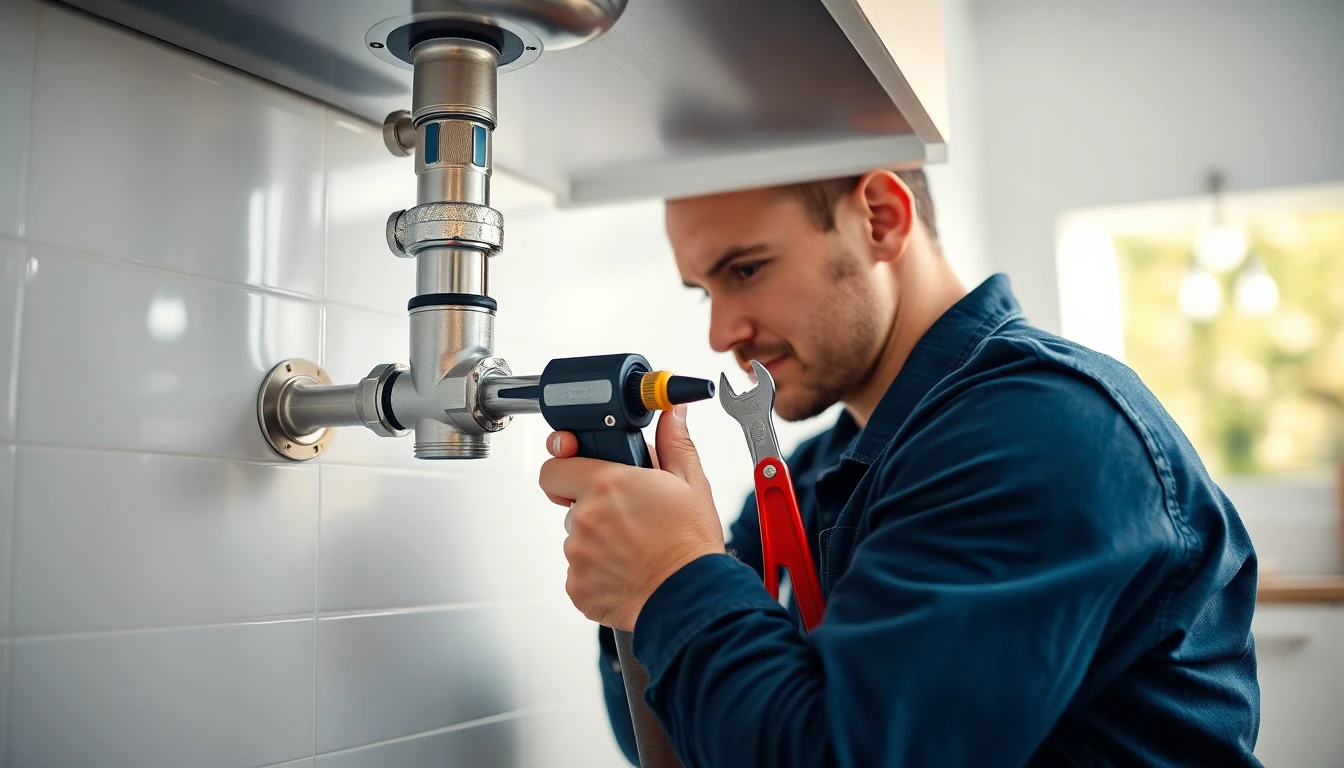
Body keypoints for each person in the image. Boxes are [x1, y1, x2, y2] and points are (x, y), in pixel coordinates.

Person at [537, 169, 1261, 767]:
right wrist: (639, 585)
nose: (722, 331)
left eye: (746, 269)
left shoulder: (1041, 432)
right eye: (705, 289)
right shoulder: (824, 471)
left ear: (881, 218)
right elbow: (689, 737)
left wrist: (673, 575)